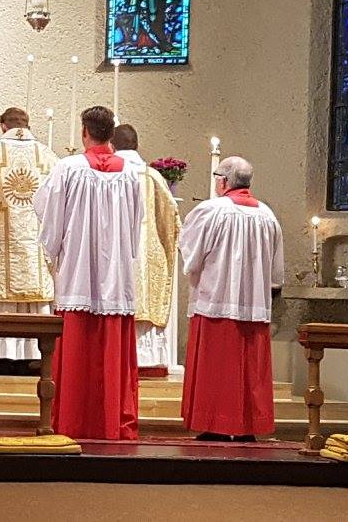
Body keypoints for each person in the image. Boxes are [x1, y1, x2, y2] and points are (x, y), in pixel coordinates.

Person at [34, 106, 143, 440]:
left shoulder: (68, 168)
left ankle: (73, 419)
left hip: (78, 271)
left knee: (77, 351)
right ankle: (111, 420)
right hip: (116, 274)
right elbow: (135, 224)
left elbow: (48, 215)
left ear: (85, 132)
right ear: (110, 133)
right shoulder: (131, 173)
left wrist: (53, 250)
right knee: (110, 351)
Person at [178, 156, 284, 441]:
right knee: (249, 370)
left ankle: (217, 425)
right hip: (254, 304)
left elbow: (191, 256)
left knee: (217, 368)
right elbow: (276, 272)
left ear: (223, 181)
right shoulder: (267, 215)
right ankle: (247, 426)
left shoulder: (211, 211)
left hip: (216, 300)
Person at [0, 107, 58, 374]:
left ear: (2, 126)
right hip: (35, 244)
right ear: (27, 124)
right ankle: (33, 354)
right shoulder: (49, 157)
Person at [110, 123, 181, 373]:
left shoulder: (107, 172)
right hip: (146, 254)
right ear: (137, 145)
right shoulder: (152, 176)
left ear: (111, 145)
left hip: (114, 252)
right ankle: (145, 358)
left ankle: (113, 353)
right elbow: (171, 216)